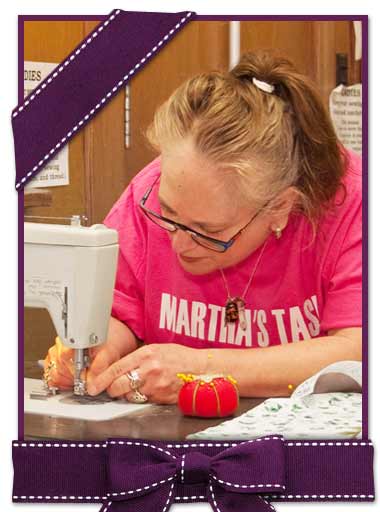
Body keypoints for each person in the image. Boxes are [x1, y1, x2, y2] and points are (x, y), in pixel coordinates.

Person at [44, 50, 362, 405]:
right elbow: (118, 308)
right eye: (168, 216)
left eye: (207, 231)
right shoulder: (153, 189)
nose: (179, 244)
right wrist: (96, 349)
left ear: (280, 208)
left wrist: (198, 368)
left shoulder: (353, 203)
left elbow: (357, 351)